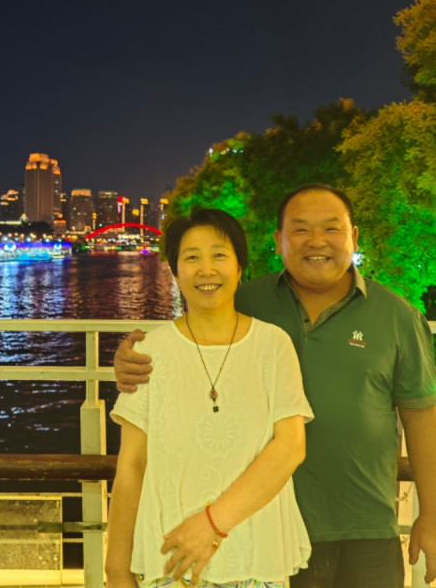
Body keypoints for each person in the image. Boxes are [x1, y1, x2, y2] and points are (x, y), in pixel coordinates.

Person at [115, 185, 436, 588]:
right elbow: (192, 336)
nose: (316, 241)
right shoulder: (247, 300)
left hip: (365, 522)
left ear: (353, 236)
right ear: (278, 240)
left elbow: (422, 422)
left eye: (331, 228)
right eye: (300, 230)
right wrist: (130, 360)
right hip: (267, 526)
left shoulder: (398, 316)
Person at [105, 208, 314, 588]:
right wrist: (116, 570)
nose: (206, 269)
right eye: (191, 257)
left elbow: (290, 447)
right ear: (175, 271)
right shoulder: (150, 353)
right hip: (170, 561)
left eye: (219, 255)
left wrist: (211, 524)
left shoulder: (272, 345)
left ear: (239, 267)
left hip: (255, 557)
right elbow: (132, 465)